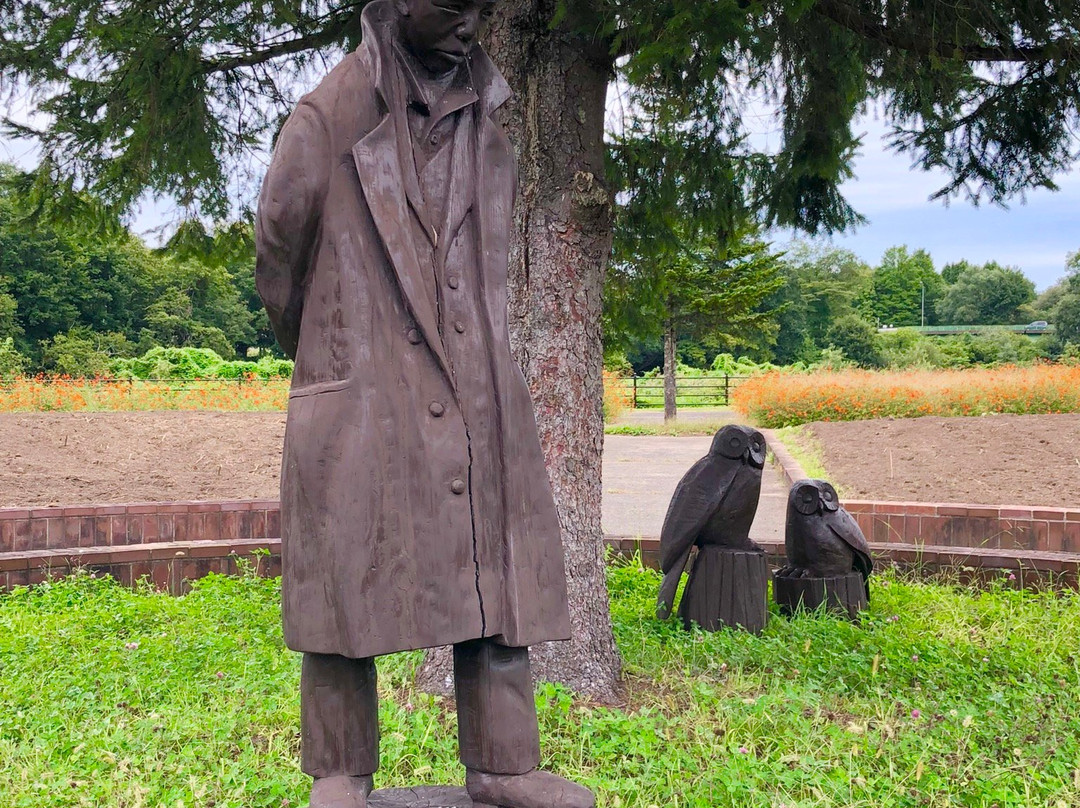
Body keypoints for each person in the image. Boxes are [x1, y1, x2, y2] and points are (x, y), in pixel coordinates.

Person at [255, 1, 594, 806]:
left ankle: (504, 765)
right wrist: (341, 344)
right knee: (347, 576)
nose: (473, 21)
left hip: (477, 377)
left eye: (486, 5)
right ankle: (338, 773)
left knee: (497, 573)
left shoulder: (486, 110)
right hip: (361, 383)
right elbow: (280, 255)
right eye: (455, 3)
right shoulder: (325, 115)